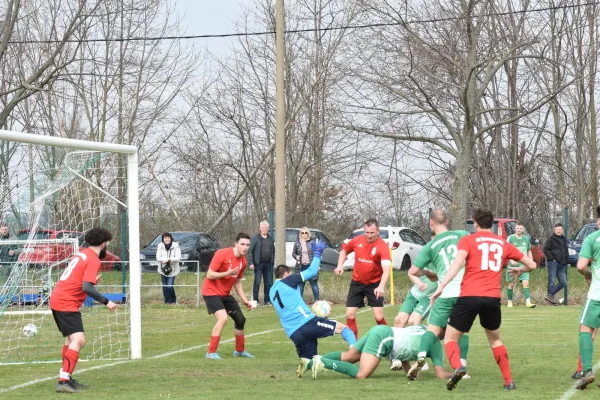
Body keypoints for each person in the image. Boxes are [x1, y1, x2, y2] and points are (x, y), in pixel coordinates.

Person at [430, 208, 536, 391]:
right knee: (495, 340)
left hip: (469, 296)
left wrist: (440, 287)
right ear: (492, 223)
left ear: (475, 223)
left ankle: (459, 367)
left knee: (450, 338)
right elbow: (532, 265)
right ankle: (508, 381)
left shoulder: (468, 240)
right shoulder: (503, 243)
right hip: (492, 298)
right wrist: (520, 270)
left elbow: (456, 265)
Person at [270, 240, 357, 377]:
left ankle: (307, 364)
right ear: (286, 274)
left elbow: (292, 303)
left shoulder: (272, 291)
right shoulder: (288, 280)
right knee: (343, 328)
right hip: (306, 323)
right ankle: (354, 348)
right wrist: (317, 253)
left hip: (294, 333)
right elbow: (311, 272)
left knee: (311, 360)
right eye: (291, 273)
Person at [403, 209, 471, 380]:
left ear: (431, 224)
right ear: (447, 222)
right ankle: (461, 366)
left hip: (444, 293)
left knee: (432, 330)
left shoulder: (430, 246)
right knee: (461, 332)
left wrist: (427, 273)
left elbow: (413, 271)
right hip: (465, 294)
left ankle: (420, 358)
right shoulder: (462, 234)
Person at [49, 227, 117, 393]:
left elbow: (80, 279)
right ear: (103, 243)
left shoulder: (82, 253)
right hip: (66, 301)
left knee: (70, 341)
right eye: (106, 243)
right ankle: (63, 381)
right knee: (79, 341)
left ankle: (66, 377)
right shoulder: (93, 259)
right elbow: (86, 287)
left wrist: (93, 281)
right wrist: (106, 301)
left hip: (60, 298)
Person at [310, 324, 451, 380]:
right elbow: (440, 374)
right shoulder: (435, 344)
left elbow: (405, 350)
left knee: (348, 357)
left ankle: (309, 362)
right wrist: (457, 374)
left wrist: (409, 373)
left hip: (381, 330)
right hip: (384, 338)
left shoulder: (423, 327)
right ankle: (320, 362)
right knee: (361, 374)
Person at [334, 218, 391, 339]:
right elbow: (344, 251)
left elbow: (386, 269)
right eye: (367, 232)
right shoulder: (357, 240)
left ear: (378, 231)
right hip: (357, 283)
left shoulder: (382, 246)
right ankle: (354, 346)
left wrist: (381, 286)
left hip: (374, 285)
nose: (369, 235)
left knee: (378, 317)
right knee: (349, 315)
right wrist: (340, 266)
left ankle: (390, 340)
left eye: (372, 233)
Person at [202, 233, 254, 360]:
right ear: (236, 244)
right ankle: (211, 352)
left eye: (247, 245)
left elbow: (237, 282)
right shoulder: (222, 254)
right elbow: (209, 275)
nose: (245, 247)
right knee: (223, 318)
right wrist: (227, 273)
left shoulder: (243, 261)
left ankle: (239, 351)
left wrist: (245, 300)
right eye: (242, 244)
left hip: (225, 294)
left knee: (240, 320)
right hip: (211, 292)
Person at [573, 205, 600, 390]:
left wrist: (588, 275)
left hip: (597, 293)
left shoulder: (592, 238)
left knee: (586, 329)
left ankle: (587, 370)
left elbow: (581, 266)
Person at [506, 222, 536, 308]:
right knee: (511, 284)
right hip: (513, 265)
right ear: (515, 229)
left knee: (526, 283)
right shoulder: (511, 238)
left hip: (524, 264)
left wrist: (530, 261)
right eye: (518, 228)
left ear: (523, 229)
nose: (519, 230)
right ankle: (510, 301)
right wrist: (511, 260)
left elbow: (529, 250)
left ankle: (528, 302)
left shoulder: (526, 239)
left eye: (521, 228)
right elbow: (507, 250)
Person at [248, 221, 275, 306]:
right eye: (263, 227)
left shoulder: (271, 239)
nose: (264, 229)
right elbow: (250, 251)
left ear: (268, 229)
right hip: (258, 264)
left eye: (266, 227)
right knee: (257, 283)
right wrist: (251, 263)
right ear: (260, 228)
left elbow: (273, 251)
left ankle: (267, 300)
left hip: (268, 264)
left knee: (269, 283)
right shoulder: (255, 239)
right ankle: (255, 300)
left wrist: (272, 261)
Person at [543, 223, 569, 305]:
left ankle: (550, 295)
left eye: (560, 229)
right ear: (555, 230)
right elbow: (545, 249)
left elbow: (566, 251)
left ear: (562, 230)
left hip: (563, 264)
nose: (558, 231)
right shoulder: (551, 239)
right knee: (552, 280)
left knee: (564, 282)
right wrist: (552, 258)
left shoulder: (564, 239)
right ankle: (551, 299)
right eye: (557, 229)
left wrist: (567, 261)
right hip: (553, 263)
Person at [292, 227, 319, 302]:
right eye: (302, 233)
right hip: (301, 266)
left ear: (308, 234)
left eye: (305, 233)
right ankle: (300, 300)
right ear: (300, 234)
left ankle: (316, 300)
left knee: (314, 284)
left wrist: (317, 265)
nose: (304, 234)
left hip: (311, 266)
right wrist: (296, 257)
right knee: (301, 285)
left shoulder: (312, 242)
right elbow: (293, 253)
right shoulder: (297, 242)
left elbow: (317, 254)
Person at [156, 232, 181, 305]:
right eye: (165, 238)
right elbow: (158, 257)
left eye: (168, 238)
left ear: (171, 238)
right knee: (164, 286)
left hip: (172, 269)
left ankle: (173, 301)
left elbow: (178, 257)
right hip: (162, 269)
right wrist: (163, 260)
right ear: (163, 239)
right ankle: (167, 302)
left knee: (169, 286)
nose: (167, 239)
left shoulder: (175, 245)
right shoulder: (160, 245)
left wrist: (169, 259)